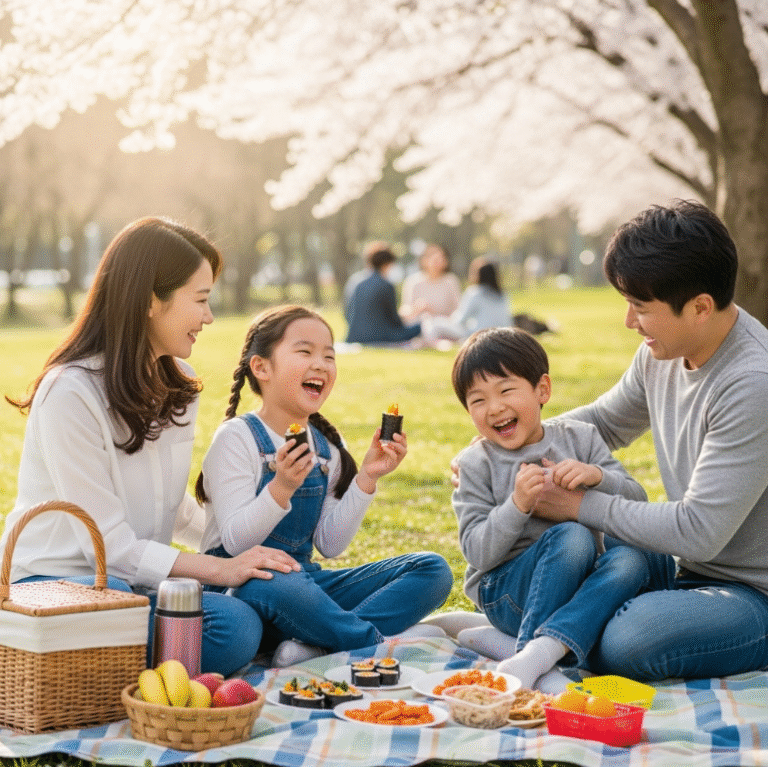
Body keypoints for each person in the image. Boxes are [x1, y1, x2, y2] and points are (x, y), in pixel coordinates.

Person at [0, 217, 298, 676]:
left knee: (258, 599)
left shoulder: (177, 387)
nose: (209, 317)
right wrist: (219, 572)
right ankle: (44, 654)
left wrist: (239, 545)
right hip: (54, 585)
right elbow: (110, 545)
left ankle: (98, 661)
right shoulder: (71, 393)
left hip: (134, 586)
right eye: (200, 300)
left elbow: (171, 508)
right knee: (233, 626)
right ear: (149, 301)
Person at [528, 199, 768, 682]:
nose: (628, 322)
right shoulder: (660, 353)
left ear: (700, 307)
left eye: (641, 307)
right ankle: (548, 640)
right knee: (573, 549)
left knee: (631, 640)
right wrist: (507, 448)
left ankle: (546, 641)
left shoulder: (753, 383)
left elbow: (700, 529)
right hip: (684, 567)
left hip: (751, 593)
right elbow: (602, 423)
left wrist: (578, 506)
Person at [196, 304, 453, 667]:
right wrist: (281, 487)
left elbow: (330, 545)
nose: (321, 364)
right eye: (305, 351)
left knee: (431, 570)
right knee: (273, 581)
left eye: (329, 356)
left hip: (304, 589)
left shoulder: (328, 448)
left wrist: (367, 477)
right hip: (240, 588)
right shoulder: (238, 437)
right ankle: (372, 643)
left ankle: (316, 646)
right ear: (262, 368)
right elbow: (237, 541)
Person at [450, 326, 671, 691]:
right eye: (478, 400)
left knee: (632, 560)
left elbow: (636, 498)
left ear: (542, 390)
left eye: (506, 390)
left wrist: (597, 475)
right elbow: (477, 552)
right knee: (572, 535)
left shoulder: (580, 438)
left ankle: (531, 652)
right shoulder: (476, 463)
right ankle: (533, 657)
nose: (495, 408)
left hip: (576, 584)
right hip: (506, 592)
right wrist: (517, 505)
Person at [423, 257, 512, 345]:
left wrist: (447, 318)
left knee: (432, 323)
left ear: (479, 275)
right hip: (502, 334)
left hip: (478, 334)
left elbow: (461, 320)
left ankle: (432, 345)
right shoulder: (503, 294)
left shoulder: (475, 292)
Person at [345, 244, 422, 345]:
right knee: (419, 327)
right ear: (387, 264)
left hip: (354, 336)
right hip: (381, 336)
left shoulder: (359, 284)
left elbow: (348, 313)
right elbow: (394, 319)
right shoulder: (386, 285)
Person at [400, 243, 462, 322]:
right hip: (418, 325)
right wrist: (417, 308)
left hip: (444, 325)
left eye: (441, 258)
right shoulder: (412, 281)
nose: (437, 262)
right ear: (424, 260)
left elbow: (458, 309)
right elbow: (404, 309)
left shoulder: (451, 281)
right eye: (433, 258)